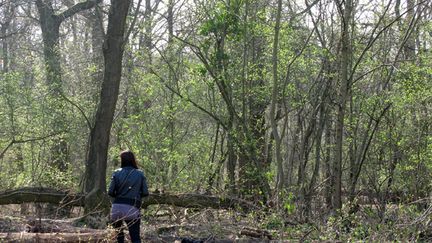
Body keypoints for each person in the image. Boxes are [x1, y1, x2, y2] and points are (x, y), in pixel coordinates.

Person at [108, 150, 149, 243]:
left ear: (122, 160)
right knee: (135, 237)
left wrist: (119, 196)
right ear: (133, 160)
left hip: (116, 208)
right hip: (132, 208)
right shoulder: (140, 173)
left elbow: (110, 192)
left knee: (119, 237)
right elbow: (146, 192)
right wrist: (137, 195)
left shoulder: (116, 172)